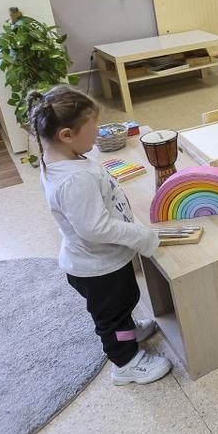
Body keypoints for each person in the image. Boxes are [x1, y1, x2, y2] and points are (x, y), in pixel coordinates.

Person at [30, 85, 171, 386]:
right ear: (67, 135)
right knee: (112, 317)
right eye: (92, 130)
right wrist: (140, 236)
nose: (97, 136)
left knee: (125, 302)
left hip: (103, 262)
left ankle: (128, 331)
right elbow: (95, 228)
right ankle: (126, 361)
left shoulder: (59, 159)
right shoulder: (74, 180)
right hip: (98, 269)